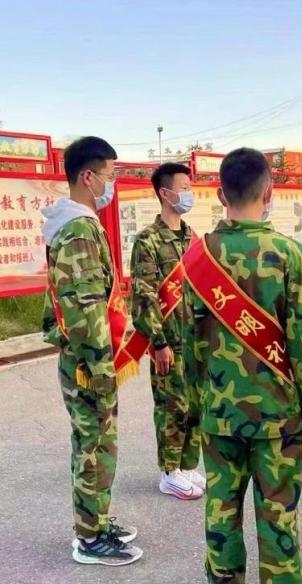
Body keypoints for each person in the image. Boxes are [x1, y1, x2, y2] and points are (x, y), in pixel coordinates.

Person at [182, 147, 302, 583]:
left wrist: (194, 407)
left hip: (218, 414)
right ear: (269, 192)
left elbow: (189, 345)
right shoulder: (290, 254)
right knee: (278, 518)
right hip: (278, 416)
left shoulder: (198, 257)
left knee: (221, 513)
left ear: (220, 194)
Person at [41, 137, 142, 566]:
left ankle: (95, 521)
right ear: (88, 176)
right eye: (110, 175)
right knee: (94, 446)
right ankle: (89, 538)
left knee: (96, 443)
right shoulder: (79, 229)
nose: (111, 184)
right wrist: (101, 367)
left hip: (86, 357)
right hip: (88, 362)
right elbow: (85, 308)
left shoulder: (76, 224)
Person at [129, 163, 204, 499]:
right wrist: (158, 342)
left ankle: (187, 465)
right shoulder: (148, 240)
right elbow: (143, 295)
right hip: (169, 341)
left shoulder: (192, 238)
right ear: (165, 193)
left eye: (190, 187)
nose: (189, 193)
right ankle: (169, 471)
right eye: (184, 187)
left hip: (195, 340)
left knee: (195, 406)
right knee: (171, 407)